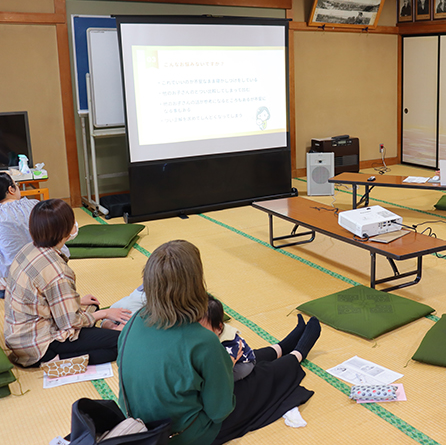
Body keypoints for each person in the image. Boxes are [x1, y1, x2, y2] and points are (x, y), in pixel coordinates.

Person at [117, 240, 321, 444]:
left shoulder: (133, 322)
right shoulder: (202, 340)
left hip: (141, 428)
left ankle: (281, 347)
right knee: (259, 376)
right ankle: (298, 353)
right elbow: (219, 411)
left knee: (240, 360)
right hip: (186, 435)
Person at [4, 199, 131, 367]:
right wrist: (105, 314)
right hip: (39, 345)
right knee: (120, 343)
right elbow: (71, 322)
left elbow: (42, 296)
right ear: (64, 230)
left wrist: (77, 301)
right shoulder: (57, 271)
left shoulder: (29, 248)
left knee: (92, 305)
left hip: (19, 335)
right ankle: (53, 360)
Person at [0, 173, 71, 299]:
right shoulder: (34, 204)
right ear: (11, 190)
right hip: (49, 270)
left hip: (13, 280)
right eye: (16, 184)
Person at [201, 294, 257, 381]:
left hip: (243, 363)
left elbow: (228, 364)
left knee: (224, 377)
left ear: (219, 328)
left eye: (204, 330)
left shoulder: (229, 341)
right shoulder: (213, 332)